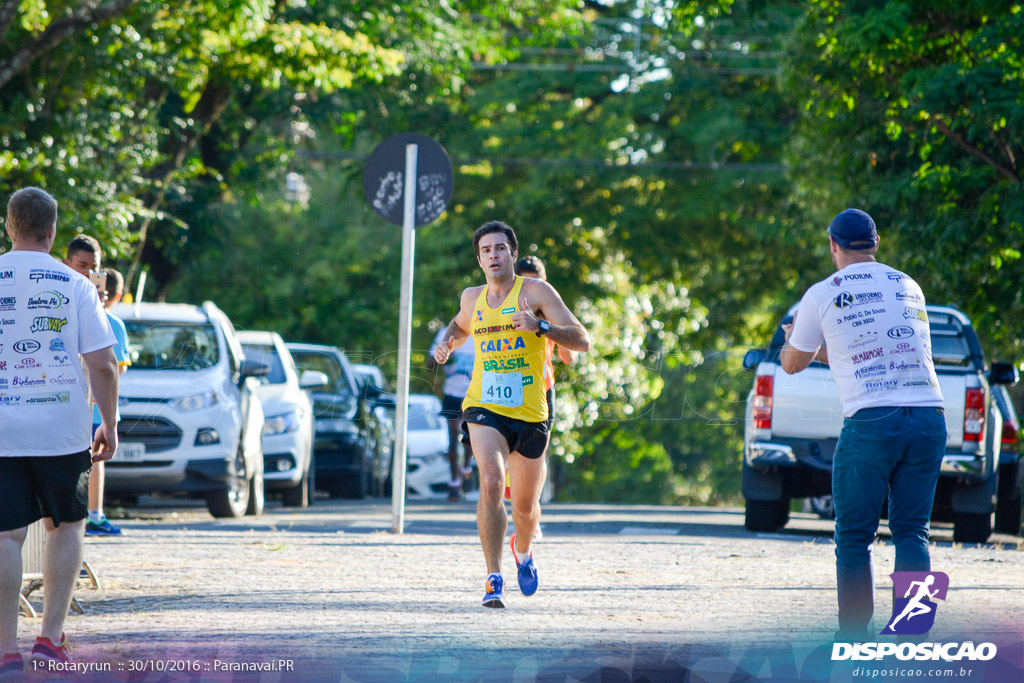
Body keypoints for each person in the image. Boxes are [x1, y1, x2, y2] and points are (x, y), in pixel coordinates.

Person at [780, 208, 945, 640]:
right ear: (876, 244)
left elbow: (793, 364)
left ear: (833, 245)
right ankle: (912, 634)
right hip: (929, 416)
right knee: (913, 531)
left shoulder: (821, 293)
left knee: (855, 536)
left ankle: (854, 638)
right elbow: (858, 352)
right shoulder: (908, 285)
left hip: (873, 420)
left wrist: (790, 341)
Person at [433, 221, 590, 608]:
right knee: (490, 481)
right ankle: (493, 577)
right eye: (486, 250)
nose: (493, 256)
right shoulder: (472, 297)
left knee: (524, 507)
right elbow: (460, 324)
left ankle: (523, 550)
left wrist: (542, 326)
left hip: (531, 411)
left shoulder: (536, 291)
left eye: (500, 248)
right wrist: (449, 342)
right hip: (484, 406)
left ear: (513, 255)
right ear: (479, 259)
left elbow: (582, 340)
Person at [0, 188, 119, 673]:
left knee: (6, 537)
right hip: (61, 429)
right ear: (51, 232)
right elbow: (104, 365)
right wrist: (108, 424)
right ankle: (49, 640)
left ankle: (6, 649)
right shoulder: (75, 285)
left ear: (9, 226)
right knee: (67, 525)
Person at [62, 240, 129, 536]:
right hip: (60, 405)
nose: (89, 274)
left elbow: (112, 368)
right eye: (82, 267)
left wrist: (108, 418)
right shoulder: (57, 302)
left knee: (94, 459)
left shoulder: (109, 320)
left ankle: (93, 514)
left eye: (95, 268)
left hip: (92, 407)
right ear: (67, 265)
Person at [513, 256, 576, 504]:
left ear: (545, 284)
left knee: (537, 453)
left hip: (542, 388)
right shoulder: (504, 306)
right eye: (525, 284)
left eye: (535, 284)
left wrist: (546, 326)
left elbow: (569, 357)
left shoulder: (550, 308)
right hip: (509, 386)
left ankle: (532, 510)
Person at [426, 324, 476, 502]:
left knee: (469, 438)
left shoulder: (483, 328)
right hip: (452, 393)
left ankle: (467, 468)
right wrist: (445, 355)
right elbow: (429, 365)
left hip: (475, 393)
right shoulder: (445, 333)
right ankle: (454, 483)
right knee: (453, 440)